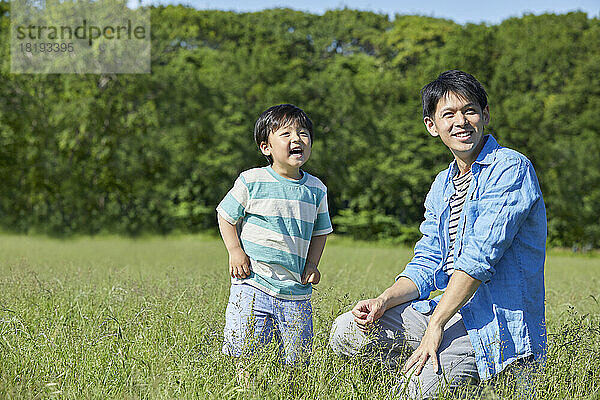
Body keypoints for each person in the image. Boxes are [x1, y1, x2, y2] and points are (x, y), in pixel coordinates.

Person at [329, 70, 547, 399]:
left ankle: (434, 370)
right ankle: (404, 368)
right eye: (448, 114)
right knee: (348, 330)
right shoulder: (441, 186)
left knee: (415, 394)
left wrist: (435, 327)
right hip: (444, 312)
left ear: (485, 115)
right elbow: (428, 262)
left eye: (470, 110)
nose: (461, 121)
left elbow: (478, 260)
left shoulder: (510, 168)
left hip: (490, 325)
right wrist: (383, 301)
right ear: (432, 126)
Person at [217, 104, 333, 369]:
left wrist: (312, 264)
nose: (297, 139)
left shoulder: (316, 189)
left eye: (303, 133)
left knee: (297, 359)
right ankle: (246, 391)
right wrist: (235, 251)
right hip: (252, 282)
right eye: (286, 133)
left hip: (295, 290)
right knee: (245, 352)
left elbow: (320, 232)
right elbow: (225, 216)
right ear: (265, 147)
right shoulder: (252, 180)